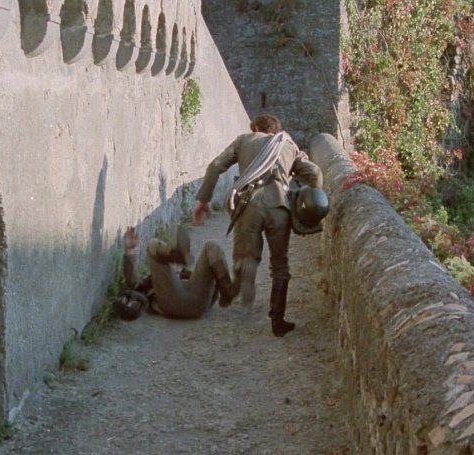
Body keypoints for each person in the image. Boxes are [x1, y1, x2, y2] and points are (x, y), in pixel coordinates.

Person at [192, 113, 323, 337]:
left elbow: (215, 166)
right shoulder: (288, 144)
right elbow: (315, 173)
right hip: (279, 207)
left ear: (255, 128)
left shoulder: (245, 140)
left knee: (245, 255)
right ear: (276, 130)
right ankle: (277, 321)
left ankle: (247, 269)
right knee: (280, 265)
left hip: (249, 205)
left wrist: (203, 201)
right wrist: (311, 204)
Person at [116, 226, 238, 319]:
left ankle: (227, 290)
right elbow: (134, 283)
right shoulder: (150, 285)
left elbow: (204, 281)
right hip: (173, 302)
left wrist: (181, 272)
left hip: (198, 301)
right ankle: (176, 256)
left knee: (211, 246)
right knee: (153, 244)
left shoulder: (183, 275)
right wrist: (130, 250)